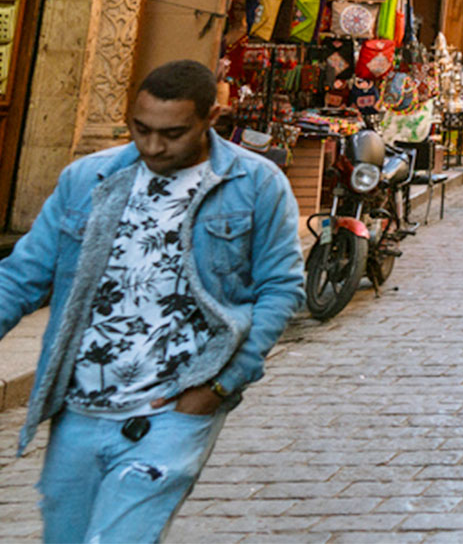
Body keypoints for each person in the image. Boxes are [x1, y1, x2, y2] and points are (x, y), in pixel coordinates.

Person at [0, 61, 304, 543]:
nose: (154, 146)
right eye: (141, 130)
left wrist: (219, 387)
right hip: (79, 407)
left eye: (173, 133)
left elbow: (281, 288)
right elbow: (21, 277)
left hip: (172, 412)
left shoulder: (255, 185)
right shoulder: (87, 178)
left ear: (212, 118)